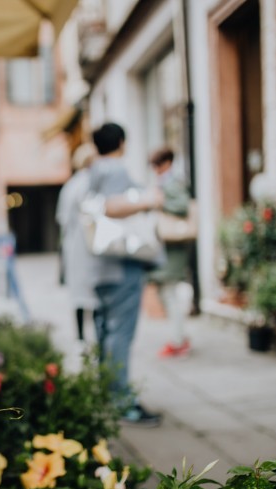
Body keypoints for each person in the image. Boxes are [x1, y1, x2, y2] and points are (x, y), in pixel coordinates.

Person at [89, 122, 163, 427]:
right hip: (122, 264)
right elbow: (111, 207)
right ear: (121, 142)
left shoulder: (92, 171)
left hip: (101, 266)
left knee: (107, 332)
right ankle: (122, 401)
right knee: (120, 334)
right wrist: (148, 200)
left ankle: (108, 394)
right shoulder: (115, 169)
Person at [148, 147, 194, 357]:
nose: (155, 169)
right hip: (167, 247)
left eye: (157, 165)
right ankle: (179, 338)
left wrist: (161, 203)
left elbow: (182, 206)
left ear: (167, 163)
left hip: (173, 248)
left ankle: (178, 340)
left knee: (170, 292)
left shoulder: (171, 182)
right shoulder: (166, 181)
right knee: (168, 292)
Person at [56, 143, 99, 347]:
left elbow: (63, 219)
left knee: (79, 292)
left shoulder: (71, 185)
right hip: (89, 243)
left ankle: (81, 335)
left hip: (75, 244)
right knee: (93, 290)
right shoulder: (90, 183)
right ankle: (94, 333)